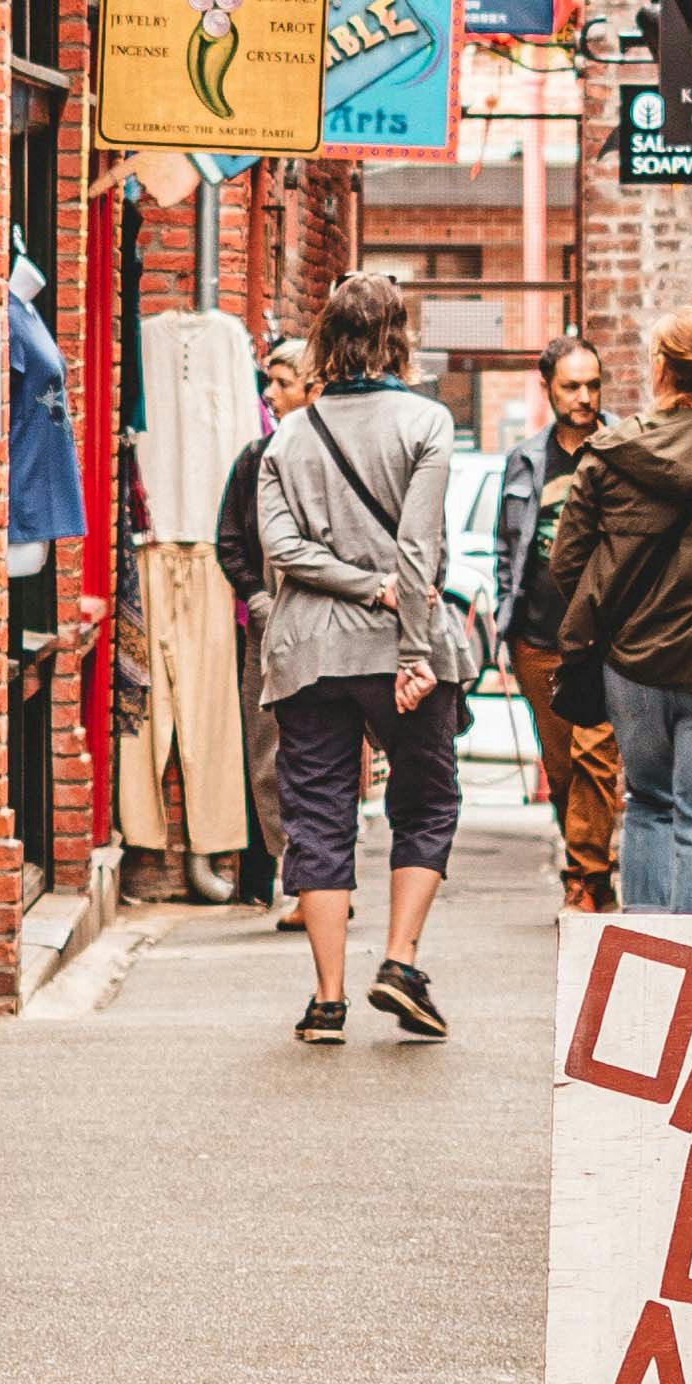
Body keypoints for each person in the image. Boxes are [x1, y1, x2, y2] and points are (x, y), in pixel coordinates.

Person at [254, 270, 468, 1047]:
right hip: (395, 650)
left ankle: (326, 999)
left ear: (325, 344)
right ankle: (401, 963)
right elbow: (419, 549)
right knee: (425, 800)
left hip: (306, 652)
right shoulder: (426, 423)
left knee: (317, 812)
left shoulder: (286, 435)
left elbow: (280, 550)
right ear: (397, 338)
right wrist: (411, 642)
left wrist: (351, 581)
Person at [547, 313, 692, 917]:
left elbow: (566, 565)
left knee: (648, 802)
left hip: (634, 669)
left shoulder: (609, 458)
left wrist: (616, 617)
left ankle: (644, 965)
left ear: (659, 369)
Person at [493, 335, 623, 914]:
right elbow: (507, 547)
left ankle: (586, 880)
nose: (585, 397)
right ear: (548, 387)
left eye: (593, 385)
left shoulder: (625, 445)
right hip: (538, 637)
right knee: (563, 766)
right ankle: (588, 863)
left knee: (598, 758)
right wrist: (504, 623)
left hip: (605, 637)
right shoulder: (525, 459)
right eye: (572, 386)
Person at [214, 333, 310, 915]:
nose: (270, 394)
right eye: (268, 382)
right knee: (268, 755)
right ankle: (297, 875)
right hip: (267, 630)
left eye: (282, 382)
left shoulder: (326, 454)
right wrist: (256, 597)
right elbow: (229, 540)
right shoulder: (253, 460)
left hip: (326, 629)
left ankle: (320, 881)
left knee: (324, 755)